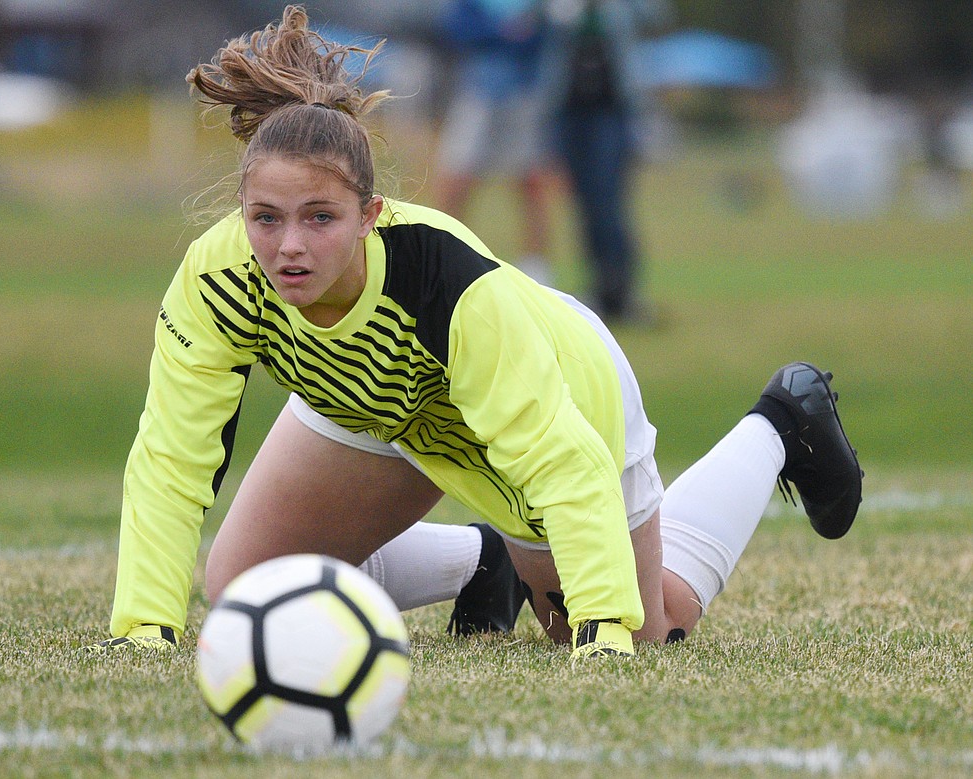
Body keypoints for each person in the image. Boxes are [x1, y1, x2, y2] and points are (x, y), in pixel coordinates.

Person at [85, 5, 863, 659]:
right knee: (247, 589)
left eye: (320, 218)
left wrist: (603, 631)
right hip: (384, 405)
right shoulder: (219, 276)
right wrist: (145, 627)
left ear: (369, 217)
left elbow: (556, 454)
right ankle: (478, 559)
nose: (290, 245)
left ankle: (780, 422)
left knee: (645, 623)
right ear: (243, 215)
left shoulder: (450, 286)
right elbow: (173, 452)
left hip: (555, 392)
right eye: (267, 219)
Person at [542, 0, 672, 324]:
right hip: (567, 108)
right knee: (584, 204)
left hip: (612, 111)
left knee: (609, 202)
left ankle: (622, 293)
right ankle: (599, 292)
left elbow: (656, 14)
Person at [431, 0, 558, 284]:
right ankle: (443, 260)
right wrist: (503, 32)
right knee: (456, 176)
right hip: (478, 88)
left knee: (532, 180)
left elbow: (552, 29)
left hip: (527, 89)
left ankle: (536, 269)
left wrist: (529, 32)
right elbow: (455, 27)